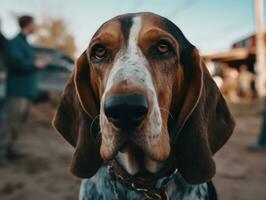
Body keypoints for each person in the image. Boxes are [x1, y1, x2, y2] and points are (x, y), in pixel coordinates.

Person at [0, 15, 48, 164]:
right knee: (10, 122)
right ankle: (2, 154)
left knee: (18, 123)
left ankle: (10, 150)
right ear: (27, 25)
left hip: (26, 91)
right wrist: (35, 63)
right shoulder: (14, 42)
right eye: (34, 24)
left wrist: (35, 61)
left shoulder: (25, 43)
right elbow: (15, 63)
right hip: (17, 90)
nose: (36, 27)